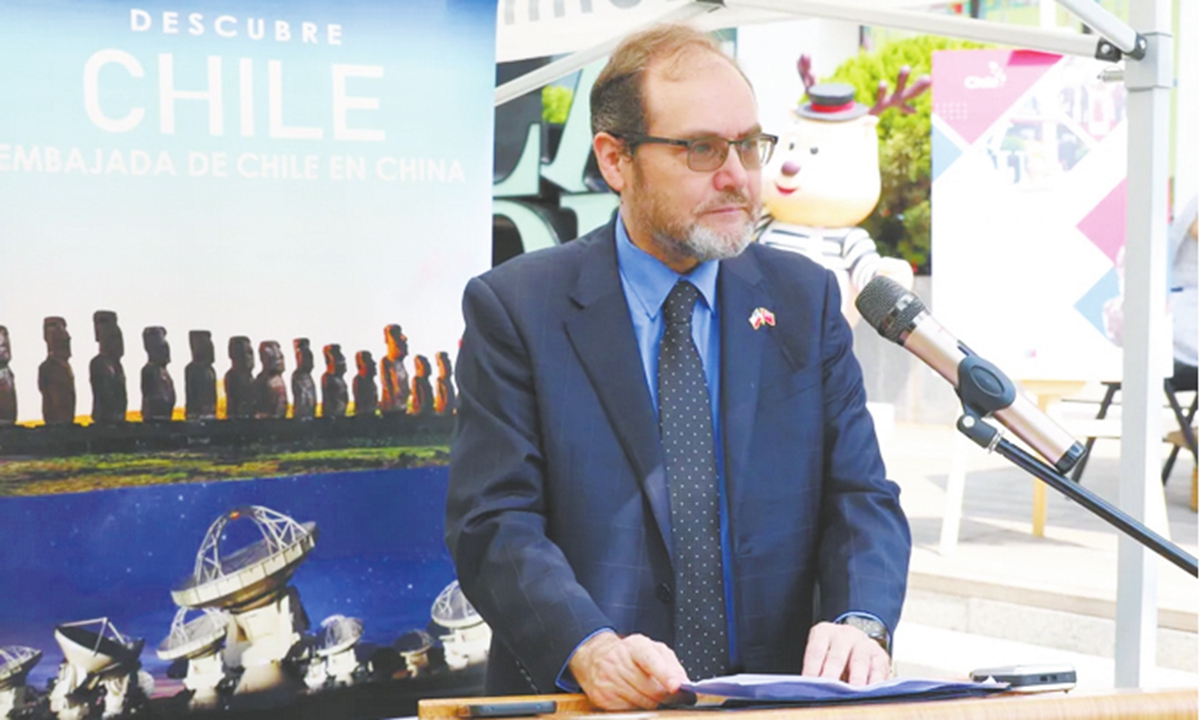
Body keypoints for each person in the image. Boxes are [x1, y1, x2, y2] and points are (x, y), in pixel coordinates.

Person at [445, 25, 910, 710]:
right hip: (597, 702)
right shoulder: (517, 309)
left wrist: (861, 621)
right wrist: (588, 649)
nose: (738, 175)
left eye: (749, 145)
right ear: (614, 160)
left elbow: (860, 496)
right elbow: (495, 522)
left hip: (775, 699)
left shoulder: (803, 300)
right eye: (701, 148)